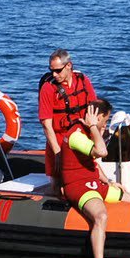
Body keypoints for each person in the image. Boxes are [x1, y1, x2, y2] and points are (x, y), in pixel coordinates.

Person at [60, 98, 123, 258]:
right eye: (106, 120)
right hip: (78, 187)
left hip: (94, 183)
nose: (106, 124)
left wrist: (109, 181)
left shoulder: (87, 132)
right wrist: (94, 126)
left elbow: (92, 164)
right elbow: (102, 152)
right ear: (98, 117)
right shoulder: (76, 135)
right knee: (101, 216)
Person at [38, 49, 97, 186]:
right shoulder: (48, 88)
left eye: (58, 70)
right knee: (58, 186)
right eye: (52, 70)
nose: (54, 74)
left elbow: (94, 111)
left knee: (87, 179)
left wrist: (96, 137)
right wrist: (57, 153)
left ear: (69, 66)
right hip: (59, 143)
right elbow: (47, 125)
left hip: (82, 141)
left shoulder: (83, 80)